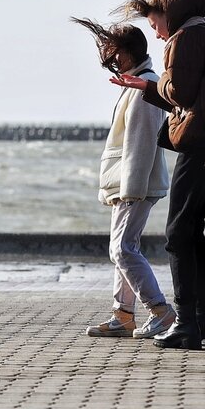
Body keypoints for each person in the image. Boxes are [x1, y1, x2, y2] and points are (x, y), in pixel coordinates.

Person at [110, 0, 205, 350]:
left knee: (177, 236)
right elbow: (194, 93)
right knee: (191, 232)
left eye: (154, 22)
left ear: (169, 13)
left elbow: (181, 93)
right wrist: (149, 87)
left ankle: (186, 323)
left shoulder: (185, 39)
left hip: (203, 144)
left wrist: (150, 87)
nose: (154, 33)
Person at [71, 17, 175, 339]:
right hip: (128, 184)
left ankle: (160, 310)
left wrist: (130, 190)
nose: (113, 61)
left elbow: (141, 145)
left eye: (115, 54)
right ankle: (123, 315)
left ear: (129, 52)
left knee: (123, 249)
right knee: (122, 247)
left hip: (136, 185)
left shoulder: (145, 89)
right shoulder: (137, 84)